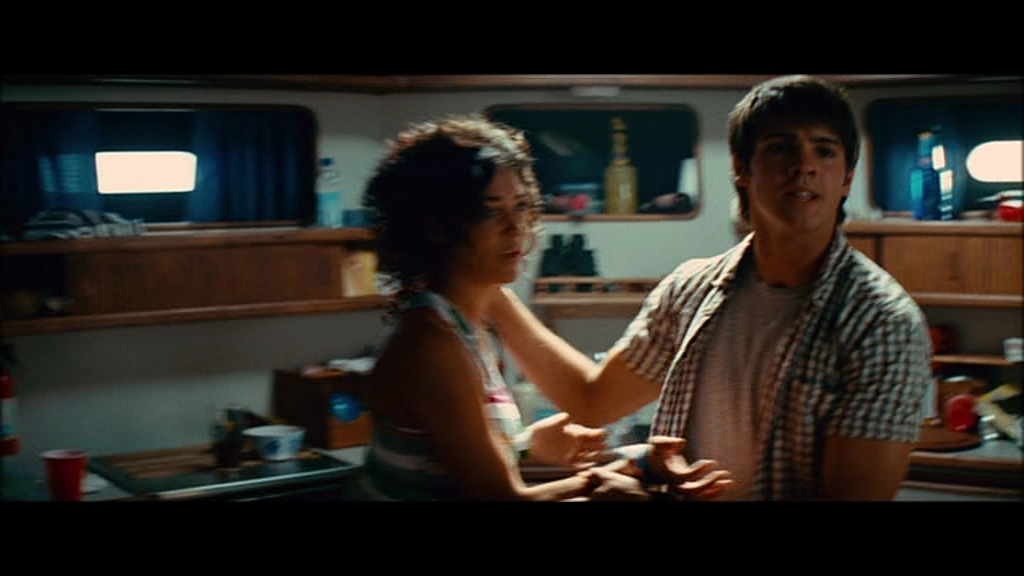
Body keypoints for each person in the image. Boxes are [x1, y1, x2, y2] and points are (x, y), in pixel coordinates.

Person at [486, 75, 932, 501]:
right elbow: (594, 398)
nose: (804, 166)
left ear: (847, 178)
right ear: (742, 169)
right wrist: (489, 289)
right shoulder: (690, 289)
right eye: (781, 148)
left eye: (825, 151)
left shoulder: (881, 322)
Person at [352, 114, 731, 501]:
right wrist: (627, 472)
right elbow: (504, 498)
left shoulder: (475, 313)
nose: (515, 227)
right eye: (489, 210)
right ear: (436, 225)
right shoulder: (430, 342)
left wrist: (524, 445)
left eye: (521, 206)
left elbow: (452, 457)